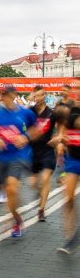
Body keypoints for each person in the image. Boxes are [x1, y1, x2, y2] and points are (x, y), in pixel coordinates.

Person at [0, 86, 37, 238]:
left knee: (12, 187)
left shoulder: (25, 113)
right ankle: (17, 219)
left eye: (9, 95)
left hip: (19, 155)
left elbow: (36, 130)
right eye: (4, 95)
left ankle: (15, 222)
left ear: (14, 95)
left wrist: (25, 137)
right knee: (9, 192)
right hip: (1, 157)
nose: (6, 98)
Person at [56, 79, 80, 254]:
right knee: (69, 197)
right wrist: (60, 141)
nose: (77, 91)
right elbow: (63, 129)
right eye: (76, 88)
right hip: (72, 158)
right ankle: (70, 236)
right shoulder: (69, 108)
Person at [29, 86, 59, 222]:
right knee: (35, 183)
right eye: (36, 95)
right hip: (33, 151)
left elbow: (61, 127)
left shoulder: (51, 113)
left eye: (40, 95)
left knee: (45, 179)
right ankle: (39, 192)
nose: (38, 98)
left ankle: (41, 210)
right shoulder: (30, 112)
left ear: (45, 96)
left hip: (47, 150)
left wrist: (59, 137)